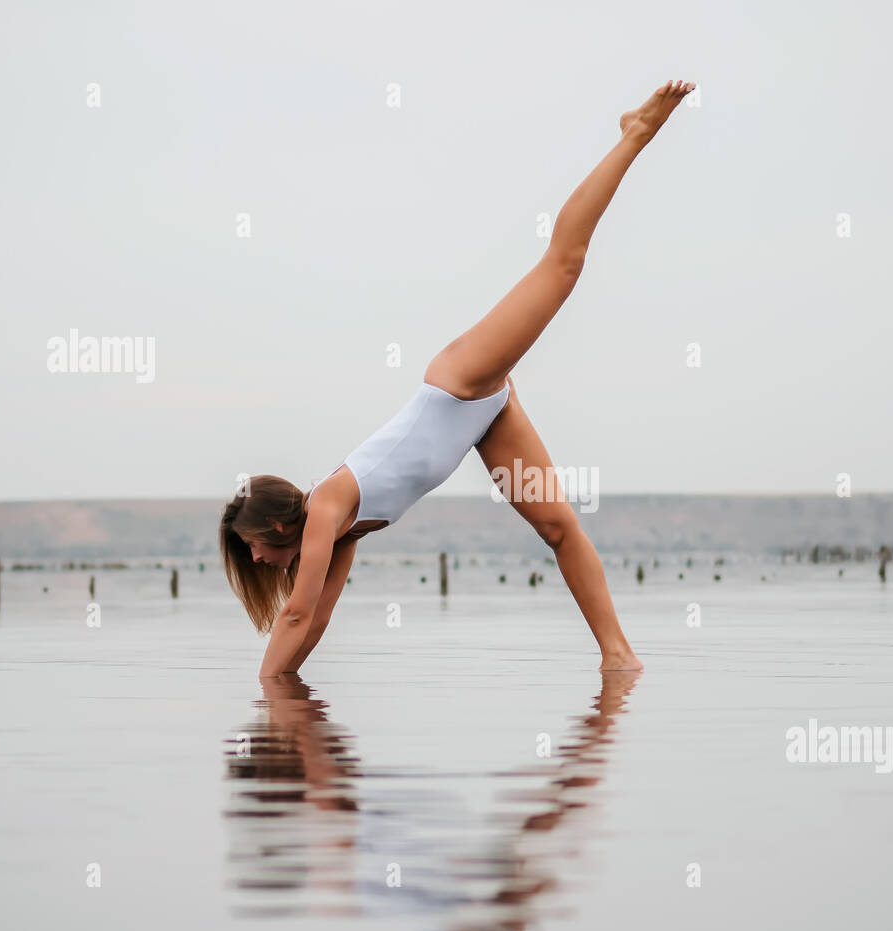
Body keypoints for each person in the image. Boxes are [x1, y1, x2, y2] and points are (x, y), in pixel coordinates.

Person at [219, 80, 696, 676]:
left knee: (564, 263)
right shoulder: (337, 533)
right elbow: (314, 618)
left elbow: (293, 615)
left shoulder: (325, 509)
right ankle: (619, 658)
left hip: (460, 384)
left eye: (252, 546)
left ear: (274, 524)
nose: (257, 558)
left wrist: (262, 690)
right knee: (558, 529)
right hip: (482, 416)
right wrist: (280, 693)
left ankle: (634, 133)